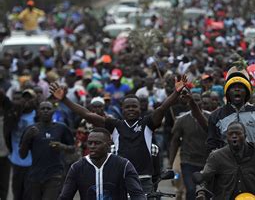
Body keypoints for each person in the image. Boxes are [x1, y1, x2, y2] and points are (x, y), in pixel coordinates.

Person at [49, 76, 187, 193]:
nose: (131, 109)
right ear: (122, 110)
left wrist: (176, 92)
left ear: (140, 108)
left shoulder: (148, 123)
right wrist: (64, 99)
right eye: (127, 107)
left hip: (144, 180)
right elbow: (87, 114)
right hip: (121, 178)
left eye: (134, 106)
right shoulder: (115, 125)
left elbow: (162, 108)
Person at [199, 121, 255, 199]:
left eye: (238, 133)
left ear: (245, 136)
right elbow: (203, 177)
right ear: (226, 137)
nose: (234, 136)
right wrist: (201, 192)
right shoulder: (217, 156)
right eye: (230, 134)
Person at [206, 67, 255, 157]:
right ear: (227, 93)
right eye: (233, 87)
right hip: (227, 165)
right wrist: (220, 158)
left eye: (240, 87)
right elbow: (211, 144)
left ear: (247, 92)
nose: (237, 89)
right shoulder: (216, 116)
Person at [58, 128, 146, 200]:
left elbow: (137, 194)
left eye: (97, 143)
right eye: (90, 143)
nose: (92, 146)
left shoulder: (123, 165)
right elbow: (65, 196)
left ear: (108, 145)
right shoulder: (77, 167)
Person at [19, 101, 75, 200]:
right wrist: (26, 138)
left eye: (48, 108)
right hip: (35, 176)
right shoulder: (31, 130)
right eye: (43, 108)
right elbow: (22, 155)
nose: (45, 111)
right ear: (38, 111)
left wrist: (62, 146)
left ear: (53, 111)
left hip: (55, 174)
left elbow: (73, 149)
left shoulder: (61, 128)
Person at [169, 91, 210, 200]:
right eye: (193, 100)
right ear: (188, 103)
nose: (196, 103)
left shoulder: (211, 118)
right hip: (188, 161)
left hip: (207, 161)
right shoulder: (181, 120)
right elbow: (175, 141)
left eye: (198, 100)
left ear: (202, 102)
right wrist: (170, 163)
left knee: (206, 191)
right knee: (191, 189)